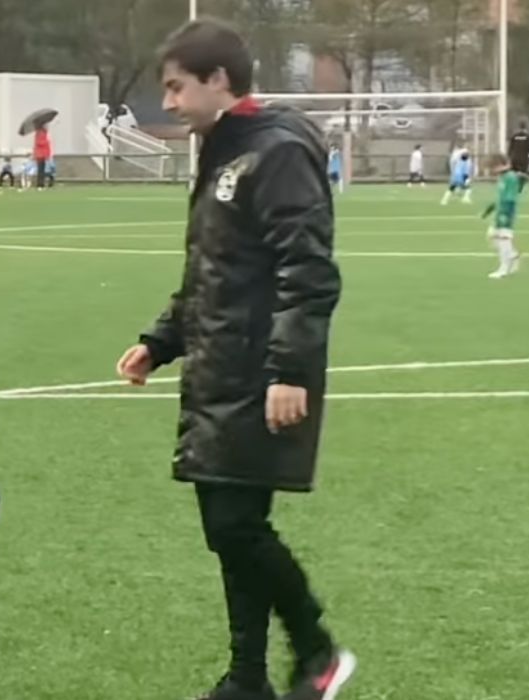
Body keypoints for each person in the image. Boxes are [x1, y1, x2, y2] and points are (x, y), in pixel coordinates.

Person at [115, 18, 351, 700]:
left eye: (177, 87)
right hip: (217, 371)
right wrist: (161, 342)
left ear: (218, 81)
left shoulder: (274, 151)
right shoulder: (225, 150)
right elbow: (215, 272)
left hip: (255, 374)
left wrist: (290, 370)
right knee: (230, 530)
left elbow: (306, 269)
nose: (170, 104)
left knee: (236, 525)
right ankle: (247, 677)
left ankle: (317, 650)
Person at [481, 153, 523, 279]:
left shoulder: (510, 178)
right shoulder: (503, 177)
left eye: (493, 167)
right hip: (500, 211)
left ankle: (503, 268)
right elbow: (500, 197)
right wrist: (489, 209)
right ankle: (513, 256)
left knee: (504, 238)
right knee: (492, 235)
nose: (492, 171)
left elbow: (510, 198)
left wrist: (505, 213)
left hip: (506, 212)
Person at [507, 120, 529, 192]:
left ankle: (513, 186)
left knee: (515, 173)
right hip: (523, 159)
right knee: (523, 174)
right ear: (526, 127)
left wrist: (509, 158)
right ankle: (520, 188)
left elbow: (510, 148)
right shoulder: (528, 137)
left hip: (515, 159)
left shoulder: (514, 136)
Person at [32, 125, 52, 189]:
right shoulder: (39, 133)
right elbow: (38, 142)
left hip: (43, 154)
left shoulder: (45, 133)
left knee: (42, 169)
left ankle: (41, 183)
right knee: (40, 169)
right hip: (40, 154)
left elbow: (47, 146)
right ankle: (39, 184)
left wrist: (48, 155)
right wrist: (46, 141)